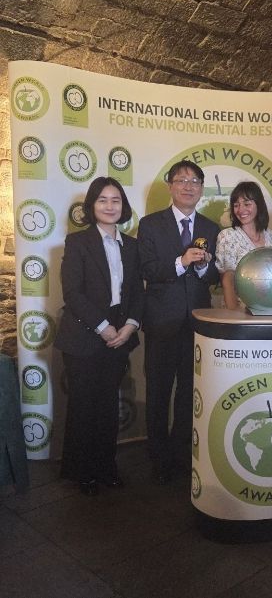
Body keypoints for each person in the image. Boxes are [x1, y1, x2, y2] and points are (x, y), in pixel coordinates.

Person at [55, 177, 144, 496]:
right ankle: (84, 472)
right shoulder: (77, 243)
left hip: (119, 337)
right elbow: (72, 293)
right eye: (103, 200)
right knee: (84, 406)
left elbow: (137, 292)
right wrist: (103, 326)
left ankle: (106, 467)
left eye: (116, 200)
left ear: (123, 206)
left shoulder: (132, 246)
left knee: (108, 406)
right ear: (91, 206)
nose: (110, 206)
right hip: (84, 337)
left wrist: (130, 326)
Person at [138, 160, 220, 484]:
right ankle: (159, 457)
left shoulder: (211, 227)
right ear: (170, 185)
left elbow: (214, 277)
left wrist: (202, 267)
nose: (188, 186)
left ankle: (182, 452)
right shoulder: (150, 224)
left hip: (198, 323)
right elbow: (147, 269)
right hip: (161, 322)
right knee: (158, 392)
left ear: (202, 188)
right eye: (182, 180)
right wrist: (182, 261)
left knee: (190, 392)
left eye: (195, 181)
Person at [216, 181, 272, 309]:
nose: (241, 210)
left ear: (259, 205)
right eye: (236, 205)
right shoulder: (227, 236)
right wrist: (233, 313)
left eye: (247, 204)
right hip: (239, 310)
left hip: (270, 309)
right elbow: (227, 280)